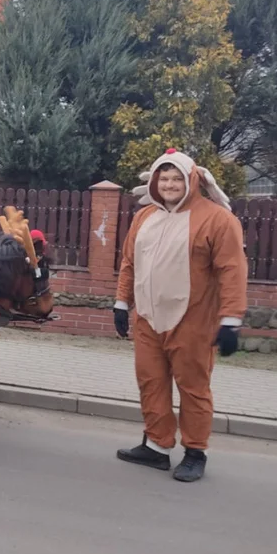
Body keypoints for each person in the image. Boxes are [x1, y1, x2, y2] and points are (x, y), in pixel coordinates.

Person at [114, 148, 248, 483]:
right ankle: (157, 447)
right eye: (164, 177)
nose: (170, 184)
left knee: (193, 388)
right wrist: (120, 302)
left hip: (193, 321)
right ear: (156, 181)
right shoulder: (143, 218)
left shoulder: (218, 219)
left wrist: (231, 319)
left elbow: (232, 270)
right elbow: (129, 263)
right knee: (151, 382)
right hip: (146, 318)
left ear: (192, 181)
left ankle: (195, 451)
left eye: (177, 178)